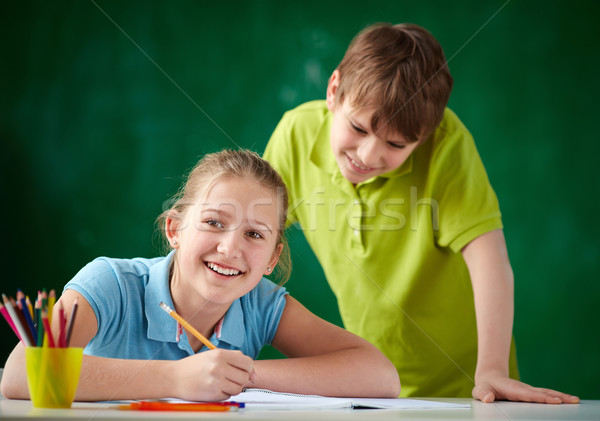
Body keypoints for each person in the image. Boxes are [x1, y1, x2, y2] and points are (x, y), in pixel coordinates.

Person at [263, 23, 579, 404]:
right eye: (358, 127)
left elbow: (488, 259)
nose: (367, 156)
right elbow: (253, 234)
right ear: (334, 90)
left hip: (469, 387)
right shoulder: (295, 134)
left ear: (426, 135)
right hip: (371, 383)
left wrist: (492, 368)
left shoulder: (448, 146)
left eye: (396, 144)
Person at [0, 149, 400, 402]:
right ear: (174, 230)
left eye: (254, 234)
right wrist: (176, 378)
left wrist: (242, 374)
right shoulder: (112, 283)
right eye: (213, 222)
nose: (231, 248)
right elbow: (20, 375)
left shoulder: (260, 301)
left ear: (272, 259)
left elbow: (380, 376)